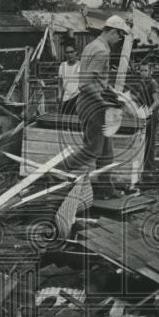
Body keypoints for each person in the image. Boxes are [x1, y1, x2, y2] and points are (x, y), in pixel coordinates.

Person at [74, 15, 129, 199]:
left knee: (107, 151)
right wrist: (104, 102)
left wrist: (112, 93)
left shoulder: (92, 45)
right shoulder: (102, 51)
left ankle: (106, 188)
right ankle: (57, 174)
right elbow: (86, 84)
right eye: (119, 36)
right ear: (113, 31)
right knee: (93, 149)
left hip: (91, 104)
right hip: (92, 106)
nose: (119, 41)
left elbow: (95, 80)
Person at [58, 41, 81, 116]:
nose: (69, 54)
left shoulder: (81, 66)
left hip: (77, 99)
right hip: (66, 99)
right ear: (65, 54)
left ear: (76, 52)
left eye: (71, 52)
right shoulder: (62, 66)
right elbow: (60, 83)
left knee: (76, 123)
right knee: (64, 122)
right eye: (67, 52)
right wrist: (59, 96)